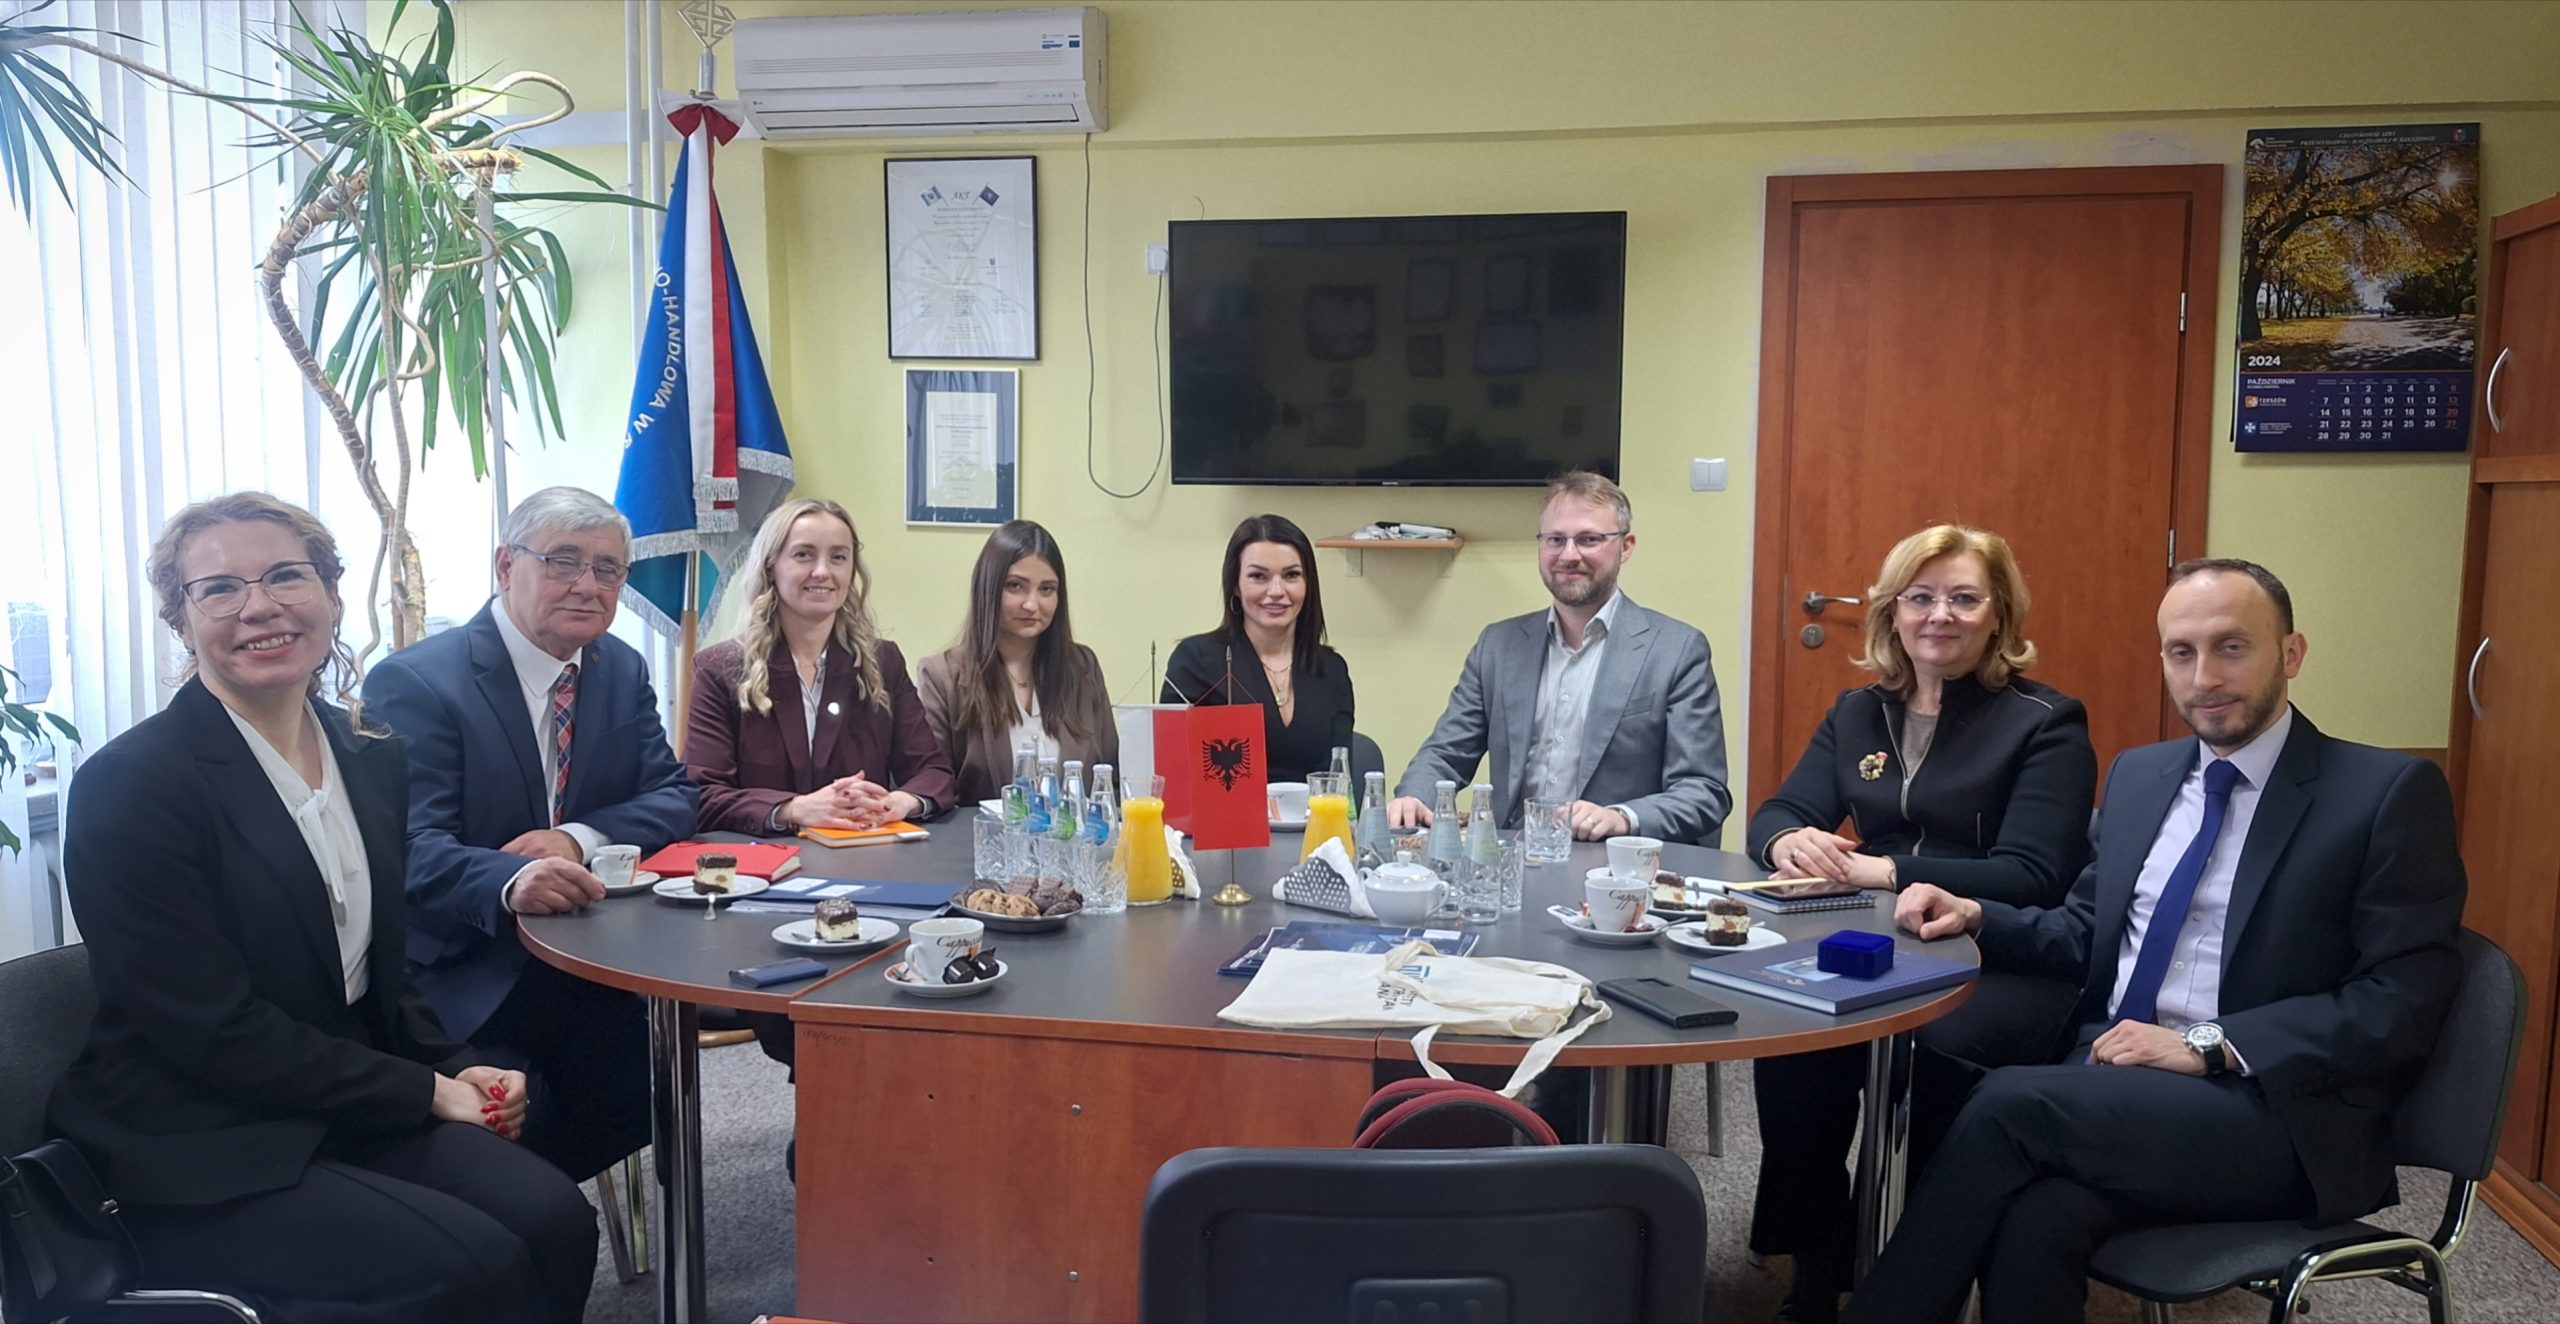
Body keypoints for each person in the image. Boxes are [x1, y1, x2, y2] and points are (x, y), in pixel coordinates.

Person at [1843, 560, 2468, 1324]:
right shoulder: (2143, 775)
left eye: (2232, 647)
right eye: (2181, 652)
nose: (2204, 677)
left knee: (2007, 1104)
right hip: (2120, 1085)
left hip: (2276, 1113)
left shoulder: (2381, 793)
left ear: (2291, 654)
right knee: (2039, 1219)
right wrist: (1977, 915)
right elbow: (2087, 933)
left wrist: (2209, 1045)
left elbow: (2403, 1000)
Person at [49, 493, 595, 1323]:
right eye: (219, 589)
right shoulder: (131, 786)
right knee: (470, 1268)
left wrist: (452, 1065)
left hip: (333, 1095)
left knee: (557, 1219)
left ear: (333, 596)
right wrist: (423, 1092)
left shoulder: (370, 752)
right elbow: (208, 1030)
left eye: (285, 576)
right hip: (198, 1133)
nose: (260, 607)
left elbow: (378, 965)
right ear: (180, 620)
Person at [1743, 525, 2096, 1323]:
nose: (1940, 615)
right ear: (1892, 612)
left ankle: (1914, 1269)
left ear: (1999, 616)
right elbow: (1779, 811)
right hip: (1877, 938)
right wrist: (1787, 840)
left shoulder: (2046, 721)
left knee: (1933, 1050)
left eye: (1965, 598)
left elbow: (2035, 874)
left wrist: (1886, 870)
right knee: (1793, 1036)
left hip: (2002, 950)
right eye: (1921, 597)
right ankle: (1819, 1254)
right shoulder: (1858, 711)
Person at [364, 485, 697, 1184]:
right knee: (517, 1135)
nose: (587, 585)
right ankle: (519, 1218)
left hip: (586, 955)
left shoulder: (619, 667)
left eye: (608, 569)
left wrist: (577, 838)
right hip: (462, 967)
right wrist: (512, 879)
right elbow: (405, 846)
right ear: (504, 565)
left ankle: (553, 1215)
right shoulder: (418, 682)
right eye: (563, 561)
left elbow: (674, 797)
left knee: (654, 1090)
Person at [1392, 470, 1730, 844]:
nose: (1569, 555)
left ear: (1626, 547)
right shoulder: (1498, 646)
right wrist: (1415, 795)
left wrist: (1622, 817)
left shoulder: (1676, 650)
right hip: (1513, 858)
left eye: (1589, 539)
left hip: (1613, 866)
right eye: (1555, 540)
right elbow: (1446, 752)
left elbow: (1703, 791)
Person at [685, 497, 958, 834]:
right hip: (765, 857)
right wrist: (794, 809)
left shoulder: (882, 661)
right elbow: (703, 796)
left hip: (864, 852)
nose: (823, 571)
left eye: (838, 557)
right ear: (770, 567)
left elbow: (933, 772)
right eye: (804, 555)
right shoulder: (718, 669)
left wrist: (900, 802)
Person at [917, 519, 1118, 805]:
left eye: (1047, 589)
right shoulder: (942, 676)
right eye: (1015, 586)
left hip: (1074, 834)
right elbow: (933, 786)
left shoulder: (1082, 667)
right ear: (988, 589)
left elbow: (1111, 777)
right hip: (978, 834)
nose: (1032, 604)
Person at [1161, 514, 1354, 783]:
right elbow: (1174, 772)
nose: (1276, 590)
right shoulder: (1196, 661)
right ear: (1235, 586)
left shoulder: (1331, 669)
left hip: (1313, 811)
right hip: (1227, 810)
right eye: (1258, 576)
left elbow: (1339, 778)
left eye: (1291, 575)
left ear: (1308, 585)